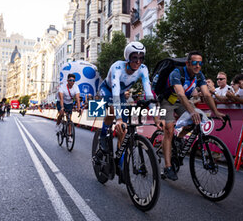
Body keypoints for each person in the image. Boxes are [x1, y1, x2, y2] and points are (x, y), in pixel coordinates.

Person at [159, 51, 225, 180]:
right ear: (188, 63)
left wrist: (216, 112)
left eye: (200, 63)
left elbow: (206, 94)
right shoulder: (177, 73)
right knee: (169, 128)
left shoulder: (199, 75)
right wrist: (192, 111)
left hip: (182, 102)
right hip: (168, 101)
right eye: (194, 63)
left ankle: (179, 138)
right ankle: (167, 167)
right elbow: (180, 94)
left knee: (194, 121)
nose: (197, 66)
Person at [95, 41, 163, 161]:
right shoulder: (117, 67)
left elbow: (148, 93)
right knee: (112, 110)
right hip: (108, 89)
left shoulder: (143, 69)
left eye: (141, 58)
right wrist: (119, 118)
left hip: (120, 94)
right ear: (127, 57)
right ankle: (103, 136)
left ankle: (119, 160)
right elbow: (115, 92)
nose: (138, 61)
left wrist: (156, 117)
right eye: (134, 58)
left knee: (124, 129)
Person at [56, 74, 81, 142]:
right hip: (61, 101)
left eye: (73, 80)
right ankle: (58, 125)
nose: (72, 82)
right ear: (67, 81)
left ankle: (69, 135)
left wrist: (79, 108)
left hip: (69, 103)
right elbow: (61, 99)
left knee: (69, 119)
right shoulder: (62, 87)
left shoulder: (76, 87)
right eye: (70, 80)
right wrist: (62, 107)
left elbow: (77, 99)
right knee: (61, 113)